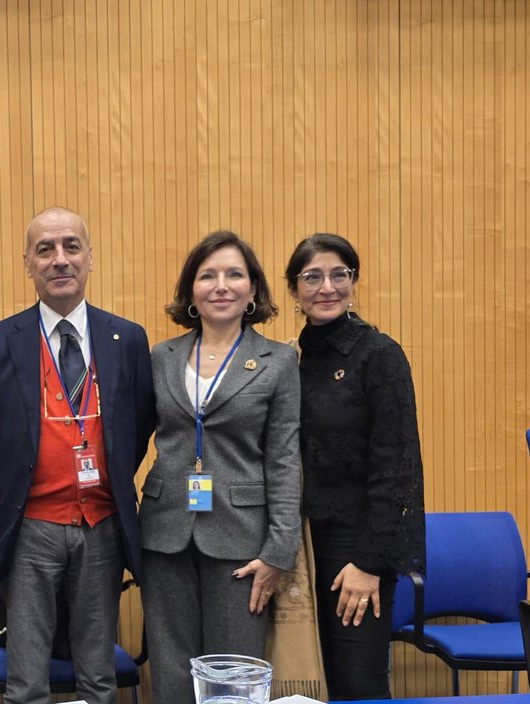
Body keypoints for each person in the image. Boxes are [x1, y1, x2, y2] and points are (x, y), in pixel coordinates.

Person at [0, 207, 155, 704]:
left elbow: (136, 429)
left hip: (103, 525)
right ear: (27, 263)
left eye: (71, 246)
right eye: (45, 249)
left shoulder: (126, 339)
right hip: (31, 529)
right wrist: (21, 485)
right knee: (26, 682)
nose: (59, 259)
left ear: (91, 258)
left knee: (98, 676)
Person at [140, 230, 302, 704]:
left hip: (242, 541)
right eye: (207, 275)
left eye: (234, 274)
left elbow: (285, 457)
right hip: (164, 531)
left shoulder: (277, 361)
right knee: (171, 671)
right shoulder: (161, 357)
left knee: (234, 675)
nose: (221, 285)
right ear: (191, 290)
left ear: (253, 289)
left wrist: (279, 550)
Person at [284, 232, 425, 700]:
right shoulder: (288, 360)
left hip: (356, 547)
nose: (327, 287)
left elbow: (396, 470)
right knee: (303, 680)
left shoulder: (378, 355)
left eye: (339, 274)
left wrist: (367, 564)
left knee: (357, 681)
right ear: (293, 291)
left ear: (353, 281)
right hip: (299, 544)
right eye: (312, 277)